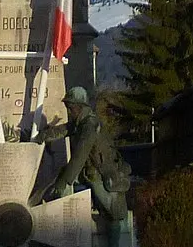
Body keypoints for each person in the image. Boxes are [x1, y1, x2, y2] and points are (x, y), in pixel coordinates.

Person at [43, 86, 130, 223]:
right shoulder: (81, 123)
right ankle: (64, 219)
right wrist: (41, 136)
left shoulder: (89, 125)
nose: (69, 112)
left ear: (80, 107)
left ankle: (114, 244)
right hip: (91, 173)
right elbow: (62, 130)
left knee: (115, 217)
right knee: (63, 176)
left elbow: (80, 154)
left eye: (71, 108)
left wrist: (65, 181)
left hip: (103, 175)